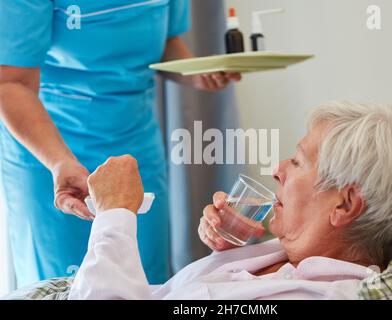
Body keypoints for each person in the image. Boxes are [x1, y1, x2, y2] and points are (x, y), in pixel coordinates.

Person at [68, 101, 392, 299]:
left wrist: (116, 215)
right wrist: (225, 256)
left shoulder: (317, 294)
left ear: (345, 206)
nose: (277, 168)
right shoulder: (305, 254)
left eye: (298, 161)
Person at [0, 0, 241, 287]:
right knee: (65, 285)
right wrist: (59, 161)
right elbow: (11, 83)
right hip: (51, 145)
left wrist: (199, 75)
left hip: (135, 143)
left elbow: (165, 42)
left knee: (142, 276)